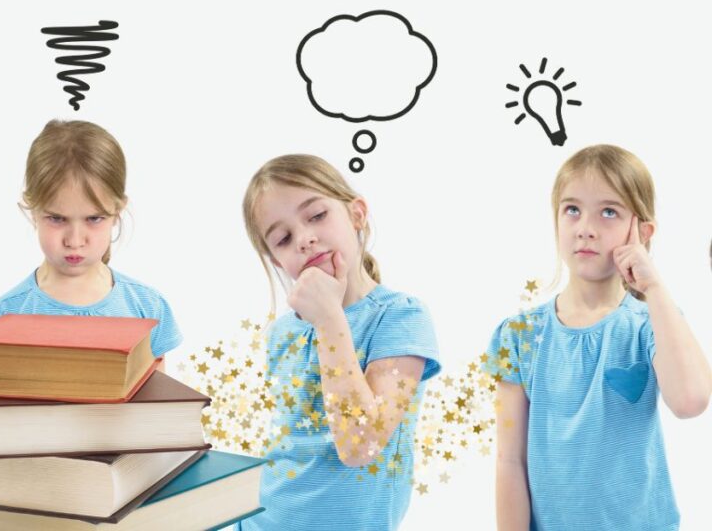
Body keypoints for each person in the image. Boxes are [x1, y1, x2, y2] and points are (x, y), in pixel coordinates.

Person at [490, 144, 711, 530]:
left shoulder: (651, 323)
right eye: (572, 209)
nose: (585, 227)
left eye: (609, 212)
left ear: (642, 231)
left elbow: (690, 400)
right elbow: (510, 460)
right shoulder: (519, 336)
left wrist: (655, 286)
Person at [239, 154, 441, 530]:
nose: (304, 239)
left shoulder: (400, 317)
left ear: (357, 215)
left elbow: (359, 444)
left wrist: (330, 318)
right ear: (276, 260)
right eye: (283, 239)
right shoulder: (284, 332)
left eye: (316, 216)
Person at [0, 120, 181, 365]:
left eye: (94, 218)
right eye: (56, 218)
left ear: (117, 211)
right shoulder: (2, 317)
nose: (75, 241)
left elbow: (160, 399)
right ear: (33, 210)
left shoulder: (148, 307)